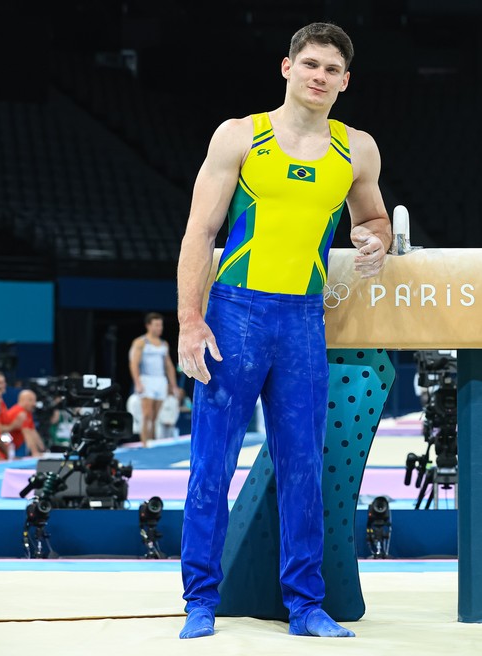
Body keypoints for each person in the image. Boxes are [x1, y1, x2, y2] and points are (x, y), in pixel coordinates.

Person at [175, 22, 390, 640]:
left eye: (332, 70)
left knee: (304, 465)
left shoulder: (358, 150)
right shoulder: (241, 136)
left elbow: (372, 215)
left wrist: (374, 238)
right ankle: (200, 600)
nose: (320, 77)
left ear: (345, 82)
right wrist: (192, 321)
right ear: (287, 68)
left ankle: (305, 603)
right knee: (210, 464)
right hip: (233, 313)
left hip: (302, 319)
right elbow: (199, 233)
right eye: (311, 64)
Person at [129, 312, 180, 446]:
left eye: (161, 325)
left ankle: (152, 442)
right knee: (146, 414)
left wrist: (173, 385)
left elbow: (168, 366)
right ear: (148, 326)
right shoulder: (140, 342)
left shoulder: (164, 344)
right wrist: (138, 382)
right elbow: (133, 363)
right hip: (146, 379)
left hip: (160, 381)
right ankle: (145, 443)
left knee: (155, 416)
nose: (159, 328)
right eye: (156, 325)